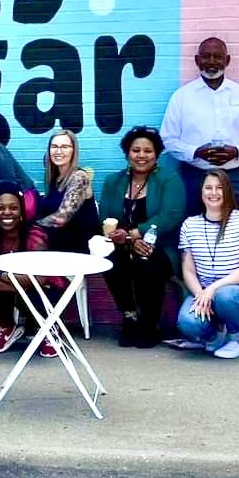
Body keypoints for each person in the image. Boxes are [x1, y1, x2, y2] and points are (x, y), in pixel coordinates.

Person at [98, 125, 187, 348]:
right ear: (127, 153)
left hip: (161, 247)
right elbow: (105, 217)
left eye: (148, 151)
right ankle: (130, 317)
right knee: (110, 263)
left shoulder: (169, 179)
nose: (141, 156)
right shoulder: (113, 181)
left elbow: (171, 214)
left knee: (147, 265)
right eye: (136, 150)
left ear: (156, 154)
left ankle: (149, 323)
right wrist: (126, 239)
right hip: (121, 246)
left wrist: (137, 234)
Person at [160, 37, 239, 213]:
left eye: (217, 57)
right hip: (194, 176)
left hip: (237, 177)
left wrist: (236, 152)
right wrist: (196, 152)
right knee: (193, 232)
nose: (211, 62)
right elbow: (166, 140)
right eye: (206, 56)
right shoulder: (181, 97)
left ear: (227, 60)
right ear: (197, 60)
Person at [175, 170, 239, 360]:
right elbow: (188, 270)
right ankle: (214, 337)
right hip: (207, 294)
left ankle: (238, 340)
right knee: (187, 322)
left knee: (225, 295)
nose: (214, 193)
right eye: (208, 188)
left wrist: (213, 289)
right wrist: (201, 294)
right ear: (201, 192)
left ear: (228, 192)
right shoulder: (189, 225)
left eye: (220, 188)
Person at [0, 183, 51, 356]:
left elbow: (40, 279)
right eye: (0, 208)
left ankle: (48, 330)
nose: (7, 212)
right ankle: (7, 326)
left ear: (21, 212)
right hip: (19, 288)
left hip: (41, 292)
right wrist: (19, 287)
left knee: (32, 294)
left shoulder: (34, 235)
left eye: (13, 208)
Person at [34, 129, 99, 252]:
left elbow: (61, 218)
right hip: (57, 249)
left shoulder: (79, 177)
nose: (58, 151)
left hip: (78, 252)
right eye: (54, 147)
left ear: (73, 151)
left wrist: (30, 226)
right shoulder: (55, 179)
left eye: (65, 147)